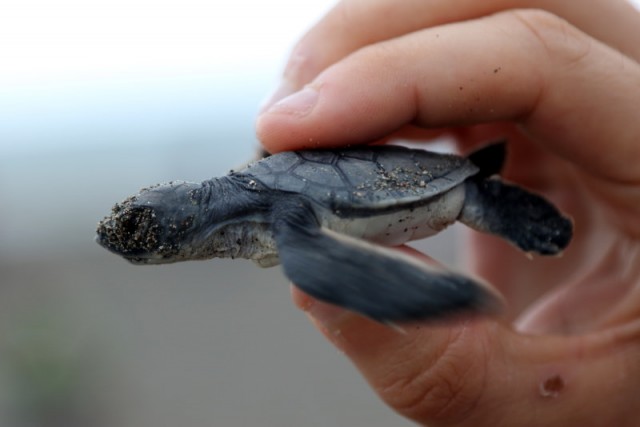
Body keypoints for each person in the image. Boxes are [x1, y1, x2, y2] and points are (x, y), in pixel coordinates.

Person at [256, 1, 640, 425]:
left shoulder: (273, 207)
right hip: (401, 184)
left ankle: (490, 202)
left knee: (474, 203)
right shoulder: (264, 195)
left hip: (441, 189)